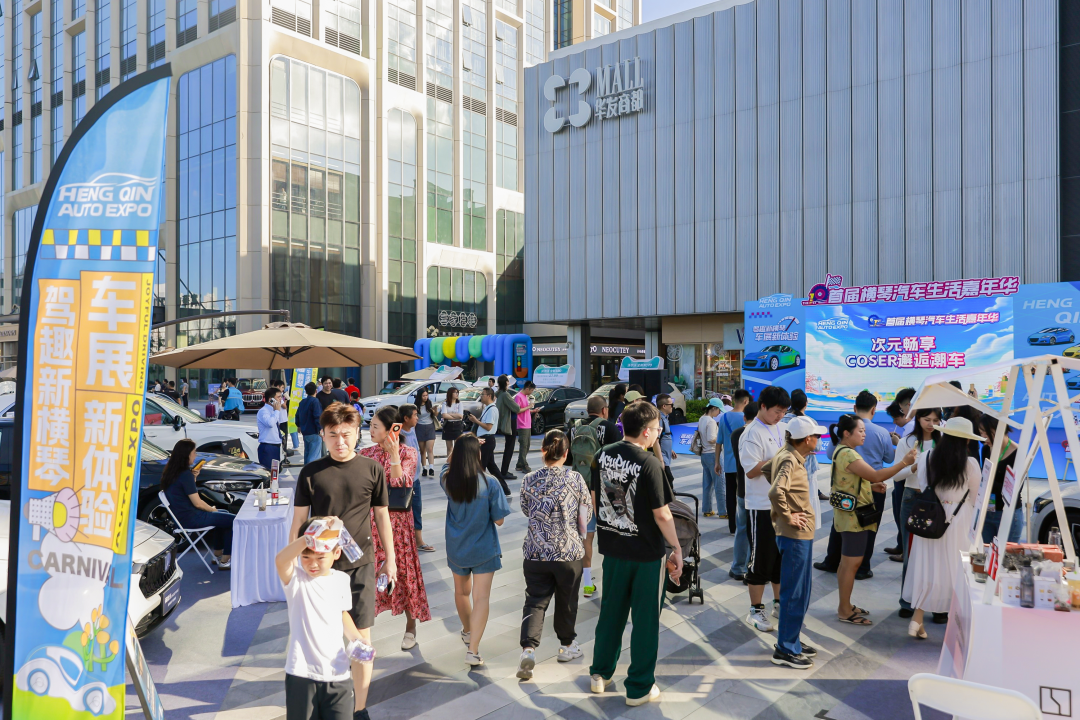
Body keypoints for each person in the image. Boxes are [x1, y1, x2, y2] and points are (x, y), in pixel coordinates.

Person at [291, 402, 395, 720]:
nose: (340, 441)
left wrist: (390, 559)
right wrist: (295, 565)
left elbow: (382, 516)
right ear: (322, 434)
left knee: (361, 639)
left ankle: (359, 708)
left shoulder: (372, 469)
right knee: (322, 638)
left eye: (346, 434)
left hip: (360, 564)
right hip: (320, 569)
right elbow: (298, 522)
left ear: (357, 433)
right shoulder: (310, 473)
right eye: (333, 434)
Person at [589, 400, 681, 707]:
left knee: (611, 613)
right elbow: (663, 514)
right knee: (645, 621)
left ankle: (600, 674)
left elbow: (594, 498)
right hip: (646, 554)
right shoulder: (649, 463)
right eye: (657, 429)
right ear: (645, 432)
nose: (658, 433)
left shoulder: (602, 455)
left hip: (613, 549)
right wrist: (676, 547)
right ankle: (639, 687)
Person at [515, 430, 592, 679]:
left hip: (535, 552)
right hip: (568, 553)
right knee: (567, 601)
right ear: (566, 453)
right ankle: (566, 646)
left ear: (543, 451)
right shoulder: (576, 479)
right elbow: (585, 514)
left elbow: (526, 509)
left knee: (535, 601)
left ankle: (528, 649)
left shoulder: (529, 479)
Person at [827, 414, 915, 626]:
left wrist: (871, 486)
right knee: (851, 563)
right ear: (847, 433)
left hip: (848, 514)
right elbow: (876, 475)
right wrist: (904, 462)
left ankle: (845, 605)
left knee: (847, 563)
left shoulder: (842, 450)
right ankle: (844, 610)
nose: (864, 434)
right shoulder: (848, 454)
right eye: (860, 431)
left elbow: (852, 480)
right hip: (853, 517)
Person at [276, 517, 363, 720]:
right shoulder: (296, 580)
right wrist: (309, 537)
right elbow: (281, 560)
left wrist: (358, 639)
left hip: (338, 673)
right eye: (306, 557)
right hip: (301, 673)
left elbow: (341, 614)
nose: (312, 563)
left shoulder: (342, 579)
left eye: (320, 557)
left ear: (336, 553)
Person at [902, 417, 981, 639]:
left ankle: (917, 619)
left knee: (927, 567)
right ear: (967, 441)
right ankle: (958, 626)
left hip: (931, 518)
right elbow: (976, 498)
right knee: (958, 571)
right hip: (959, 520)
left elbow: (923, 486)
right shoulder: (971, 464)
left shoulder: (927, 457)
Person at [361, 407, 431, 651]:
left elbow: (401, 483)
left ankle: (411, 627)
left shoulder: (408, 453)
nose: (370, 430)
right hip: (371, 524)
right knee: (367, 580)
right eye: (370, 425)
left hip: (399, 528)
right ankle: (363, 635)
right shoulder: (365, 454)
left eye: (375, 426)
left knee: (403, 575)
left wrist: (393, 455)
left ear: (392, 429)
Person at [440, 433, 512, 666]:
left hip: (457, 548)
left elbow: (446, 465)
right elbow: (499, 520)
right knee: (481, 598)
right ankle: (473, 650)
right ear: (478, 455)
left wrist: (461, 442)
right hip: (483, 548)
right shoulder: (490, 483)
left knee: (461, 593)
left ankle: (467, 630)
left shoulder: (448, 480)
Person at [765, 416, 827, 669]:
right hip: (794, 535)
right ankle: (785, 648)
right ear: (808, 439)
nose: (819, 439)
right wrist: (788, 514)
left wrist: (789, 506)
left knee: (800, 591)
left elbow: (766, 470)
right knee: (794, 593)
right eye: (817, 436)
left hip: (799, 534)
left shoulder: (788, 453)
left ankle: (791, 640)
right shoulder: (790, 458)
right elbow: (775, 490)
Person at [815, 391, 896, 579]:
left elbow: (830, 455)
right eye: (861, 432)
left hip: (847, 487)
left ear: (854, 407)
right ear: (874, 410)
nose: (863, 434)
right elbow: (889, 458)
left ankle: (832, 561)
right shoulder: (882, 432)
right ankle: (862, 567)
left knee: (840, 525)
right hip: (872, 484)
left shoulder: (843, 431)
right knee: (869, 526)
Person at [738, 385, 790, 631]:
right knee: (761, 559)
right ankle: (756, 610)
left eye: (784, 412)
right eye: (776, 411)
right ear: (762, 406)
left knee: (780, 558)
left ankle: (779, 603)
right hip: (761, 506)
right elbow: (751, 470)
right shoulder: (751, 433)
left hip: (782, 504)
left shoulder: (783, 428)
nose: (780, 416)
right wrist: (780, 460)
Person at [567, 395, 622, 598]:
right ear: (604, 410)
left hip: (580, 491)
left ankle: (588, 584)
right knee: (612, 538)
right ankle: (613, 583)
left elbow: (569, 459)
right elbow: (617, 461)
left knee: (586, 538)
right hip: (606, 491)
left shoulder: (574, 428)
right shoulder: (610, 428)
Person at [896, 407, 942, 617]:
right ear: (918, 419)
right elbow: (897, 475)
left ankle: (938, 605)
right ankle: (908, 602)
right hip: (912, 497)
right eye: (927, 419)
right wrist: (914, 466)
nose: (931, 424)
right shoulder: (907, 441)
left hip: (938, 499)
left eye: (936, 420)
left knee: (936, 554)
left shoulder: (944, 442)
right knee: (910, 553)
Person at [161, 438, 235, 568]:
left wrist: (194, 477)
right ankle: (225, 559)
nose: (195, 455)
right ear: (186, 455)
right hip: (193, 517)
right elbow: (198, 503)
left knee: (223, 514)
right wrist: (212, 509)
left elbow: (183, 494)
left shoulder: (171, 473)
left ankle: (218, 553)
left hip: (181, 517)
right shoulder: (185, 475)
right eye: (194, 452)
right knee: (233, 520)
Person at [978, 414, 1023, 544]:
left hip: (1008, 515)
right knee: (986, 552)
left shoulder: (1018, 453)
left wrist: (987, 482)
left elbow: (1014, 490)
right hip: (988, 510)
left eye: (987, 432)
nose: (984, 437)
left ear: (1000, 429)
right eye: (981, 433)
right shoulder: (986, 449)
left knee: (1005, 554)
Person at [883, 388, 917, 554]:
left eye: (901, 410)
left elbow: (909, 456)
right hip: (908, 473)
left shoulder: (911, 426)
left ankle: (905, 549)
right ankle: (902, 546)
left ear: (908, 405)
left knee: (902, 512)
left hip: (906, 475)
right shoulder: (913, 425)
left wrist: (898, 442)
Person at [728, 401, 757, 582]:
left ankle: (737, 568)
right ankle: (750, 568)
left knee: (742, 529)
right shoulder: (755, 434)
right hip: (755, 491)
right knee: (755, 532)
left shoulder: (736, 434)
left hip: (742, 488)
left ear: (744, 417)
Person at [399, 404, 434, 553]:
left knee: (417, 510)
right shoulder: (398, 435)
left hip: (415, 479)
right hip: (404, 482)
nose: (417, 418)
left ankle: (418, 541)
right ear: (406, 418)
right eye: (414, 415)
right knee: (403, 512)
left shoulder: (412, 429)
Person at [717, 389, 751, 532]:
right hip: (745, 464)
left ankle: (732, 526)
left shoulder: (723, 417)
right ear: (745, 401)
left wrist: (717, 462)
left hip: (729, 464)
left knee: (730, 494)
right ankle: (746, 525)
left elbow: (718, 442)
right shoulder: (748, 418)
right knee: (745, 494)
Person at [785, 390, 823, 514]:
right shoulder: (810, 422)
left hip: (787, 467)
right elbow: (817, 447)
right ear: (806, 403)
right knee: (808, 504)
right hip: (807, 469)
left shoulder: (782, 421)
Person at [469, 387, 509, 495]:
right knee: (492, 467)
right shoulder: (487, 408)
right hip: (485, 439)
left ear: (489, 396)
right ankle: (504, 488)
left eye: (483, 394)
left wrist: (476, 421)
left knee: (481, 466)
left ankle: (478, 490)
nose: (481, 396)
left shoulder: (492, 410)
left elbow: (488, 427)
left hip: (487, 440)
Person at [697, 397, 724, 517]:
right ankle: (723, 511)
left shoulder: (702, 418)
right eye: (719, 410)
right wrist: (721, 437)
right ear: (714, 408)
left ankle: (707, 509)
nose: (719, 413)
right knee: (720, 483)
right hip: (713, 454)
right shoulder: (711, 422)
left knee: (707, 484)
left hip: (704, 454)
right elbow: (711, 439)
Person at [496, 375, 526, 479]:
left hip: (506, 422)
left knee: (508, 446)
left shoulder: (499, 393)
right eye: (508, 381)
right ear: (506, 383)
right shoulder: (505, 394)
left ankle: (504, 471)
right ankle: (504, 472)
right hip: (509, 423)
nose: (509, 382)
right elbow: (516, 408)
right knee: (509, 447)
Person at [297, 382, 324, 465]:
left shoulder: (302, 402)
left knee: (307, 453)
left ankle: (306, 471)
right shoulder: (315, 401)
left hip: (305, 431)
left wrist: (298, 425)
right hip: (314, 431)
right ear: (316, 391)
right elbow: (317, 416)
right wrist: (320, 429)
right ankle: (311, 471)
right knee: (314, 455)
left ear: (306, 392)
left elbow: (297, 415)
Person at [257, 388, 283, 471]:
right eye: (278, 397)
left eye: (281, 397)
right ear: (270, 399)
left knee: (274, 473)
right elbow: (270, 423)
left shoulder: (274, 410)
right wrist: (277, 411)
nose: (280, 399)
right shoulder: (263, 411)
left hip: (275, 445)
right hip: (267, 446)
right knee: (268, 472)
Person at [414, 388, 438, 477]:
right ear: (420, 396)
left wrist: (435, 410)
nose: (425, 397)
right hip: (420, 427)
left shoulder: (429, 403)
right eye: (423, 395)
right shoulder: (416, 406)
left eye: (426, 395)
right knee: (422, 450)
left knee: (430, 449)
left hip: (430, 426)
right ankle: (424, 468)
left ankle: (431, 468)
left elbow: (435, 415)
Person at [514, 381, 537, 474]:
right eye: (531, 390)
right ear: (527, 388)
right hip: (522, 424)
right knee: (524, 446)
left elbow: (525, 409)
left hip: (527, 424)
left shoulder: (525, 396)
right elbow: (517, 410)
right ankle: (524, 465)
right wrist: (529, 407)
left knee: (527, 446)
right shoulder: (518, 396)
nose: (531, 392)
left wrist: (533, 410)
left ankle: (519, 465)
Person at [656, 393, 676, 486]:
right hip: (663, 459)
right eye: (671, 404)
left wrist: (670, 450)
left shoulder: (665, 418)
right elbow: (656, 440)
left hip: (665, 457)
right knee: (668, 481)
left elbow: (663, 437)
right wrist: (661, 461)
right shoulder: (659, 419)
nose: (672, 407)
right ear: (664, 406)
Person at [440, 386, 464, 457]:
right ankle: (449, 462)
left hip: (457, 425)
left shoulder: (459, 403)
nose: (457, 394)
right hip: (448, 425)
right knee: (449, 447)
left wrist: (449, 414)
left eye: (457, 392)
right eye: (455, 392)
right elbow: (444, 415)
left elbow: (461, 416)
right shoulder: (445, 403)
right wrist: (455, 416)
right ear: (450, 393)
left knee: (458, 447)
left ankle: (457, 461)